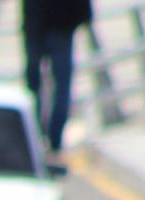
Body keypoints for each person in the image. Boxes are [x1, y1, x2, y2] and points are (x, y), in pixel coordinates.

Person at [22, 0, 92, 152]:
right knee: (59, 88)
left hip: (42, 25)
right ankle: (53, 140)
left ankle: (37, 137)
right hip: (59, 26)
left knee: (37, 87)